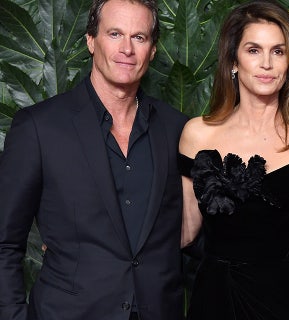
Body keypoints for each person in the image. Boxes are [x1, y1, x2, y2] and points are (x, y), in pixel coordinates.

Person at [0, 0, 188, 319]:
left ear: (153, 50)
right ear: (91, 41)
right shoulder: (39, 127)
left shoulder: (177, 128)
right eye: (114, 33)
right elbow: (4, 242)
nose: (126, 48)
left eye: (139, 37)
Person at [178, 1, 289, 319]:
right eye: (254, 50)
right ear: (233, 61)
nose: (266, 63)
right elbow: (184, 231)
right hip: (216, 302)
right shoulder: (197, 135)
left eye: (278, 51)